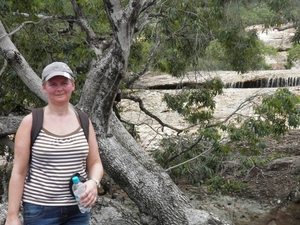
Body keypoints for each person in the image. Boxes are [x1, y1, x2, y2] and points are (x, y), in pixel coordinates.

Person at [5, 62, 104, 225]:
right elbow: (19, 172)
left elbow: (95, 163)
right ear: (44, 87)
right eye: (53, 84)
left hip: (79, 210)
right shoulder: (31, 122)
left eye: (64, 83)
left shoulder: (84, 121)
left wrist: (93, 182)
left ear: (73, 85)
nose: (59, 88)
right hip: (40, 210)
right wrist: (12, 215)